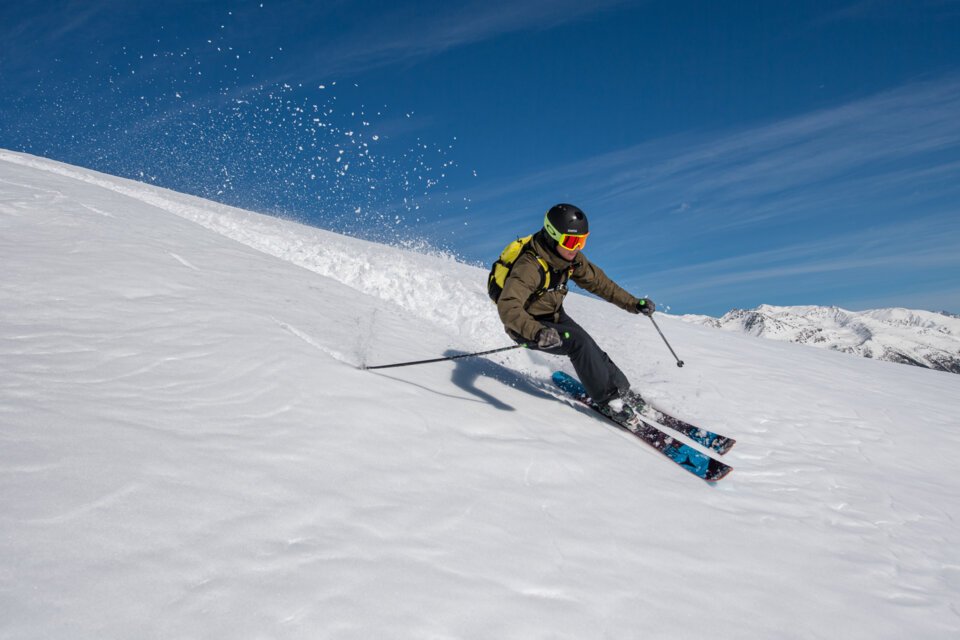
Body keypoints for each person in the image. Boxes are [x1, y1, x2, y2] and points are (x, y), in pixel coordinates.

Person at [496, 203, 655, 425]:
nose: (576, 248)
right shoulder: (530, 266)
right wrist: (537, 331)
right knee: (579, 343)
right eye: (571, 242)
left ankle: (623, 390)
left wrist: (633, 303)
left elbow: (601, 284)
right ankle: (610, 402)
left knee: (591, 347)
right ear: (553, 236)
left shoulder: (571, 260)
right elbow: (508, 306)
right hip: (528, 327)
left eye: (582, 241)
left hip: (554, 316)